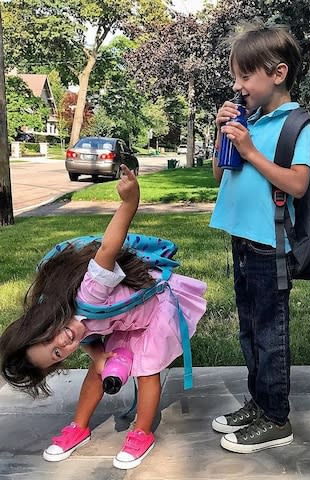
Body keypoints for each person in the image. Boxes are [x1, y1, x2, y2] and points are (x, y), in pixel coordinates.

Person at [0, 165, 207, 470]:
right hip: (126, 321)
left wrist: (129, 203)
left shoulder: (89, 294)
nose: (64, 343)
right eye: (58, 354)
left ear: (42, 323)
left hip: (155, 310)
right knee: (99, 369)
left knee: (147, 369)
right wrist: (98, 356)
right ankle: (79, 428)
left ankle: (142, 432)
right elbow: (87, 336)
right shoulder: (67, 321)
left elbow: (109, 248)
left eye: (50, 339)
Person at [209, 24, 310, 454]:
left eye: (245, 77)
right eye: (235, 78)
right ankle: (259, 402)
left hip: (271, 247)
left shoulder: (296, 127)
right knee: (250, 329)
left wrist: (252, 150)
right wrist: (224, 135)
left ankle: (276, 417)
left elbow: (298, 185)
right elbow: (220, 174)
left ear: (277, 73)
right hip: (242, 240)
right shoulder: (248, 121)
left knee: (271, 333)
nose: (238, 87)